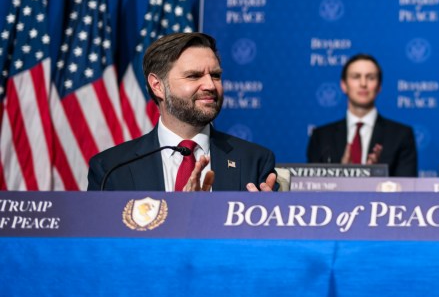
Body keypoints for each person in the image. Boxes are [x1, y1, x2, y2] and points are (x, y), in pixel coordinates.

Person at [87, 32, 277, 192]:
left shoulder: (255, 161)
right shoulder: (111, 168)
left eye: (216, 75)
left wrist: (267, 222)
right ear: (158, 86)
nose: (210, 85)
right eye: (194, 76)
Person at [306, 53, 418, 177]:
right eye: (356, 77)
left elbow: (406, 191)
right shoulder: (321, 137)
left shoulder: (400, 135)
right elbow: (313, 189)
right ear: (343, 85)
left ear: (379, 86)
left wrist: (374, 177)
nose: (363, 83)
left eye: (370, 77)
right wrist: (342, 176)